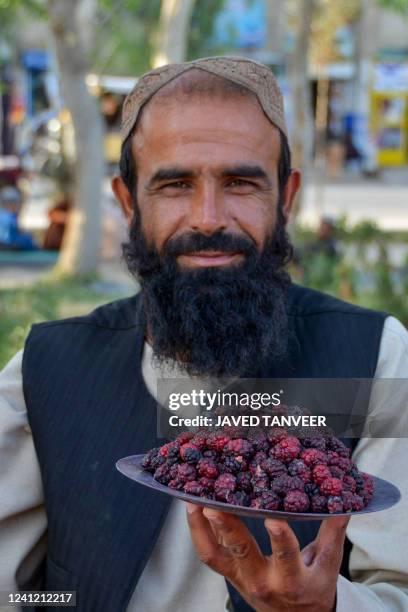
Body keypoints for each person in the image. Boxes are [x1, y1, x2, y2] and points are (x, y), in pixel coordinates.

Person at [0, 57, 407, 612]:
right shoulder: (46, 371)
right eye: (175, 184)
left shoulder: (374, 357)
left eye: (240, 182)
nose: (208, 218)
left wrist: (327, 607)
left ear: (285, 199)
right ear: (128, 202)